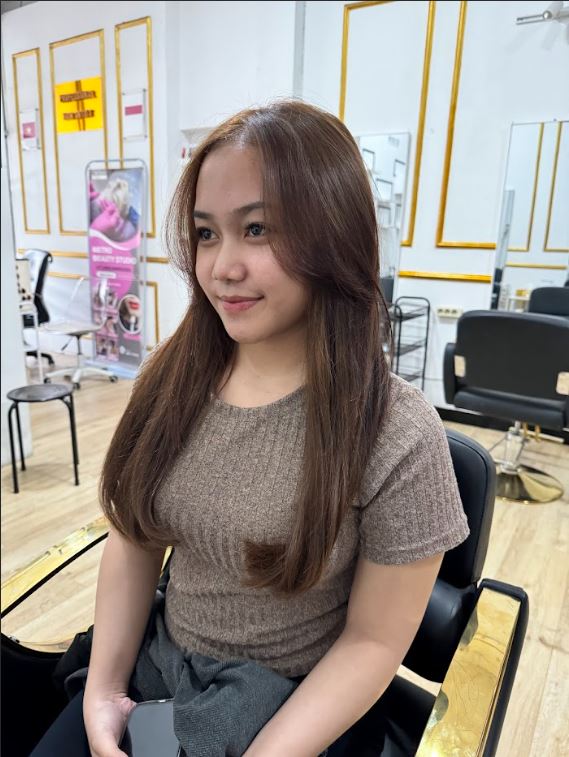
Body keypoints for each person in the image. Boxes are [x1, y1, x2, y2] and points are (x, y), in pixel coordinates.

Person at [32, 99, 469, 756]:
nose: (221, 267)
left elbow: (373, 641)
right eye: (207, 234)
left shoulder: (396, 432)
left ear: (333, 235)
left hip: (294, 709)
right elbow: (134, 539)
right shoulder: (171, 378)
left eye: (257, 229)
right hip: (158, 677)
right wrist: (103, 692)